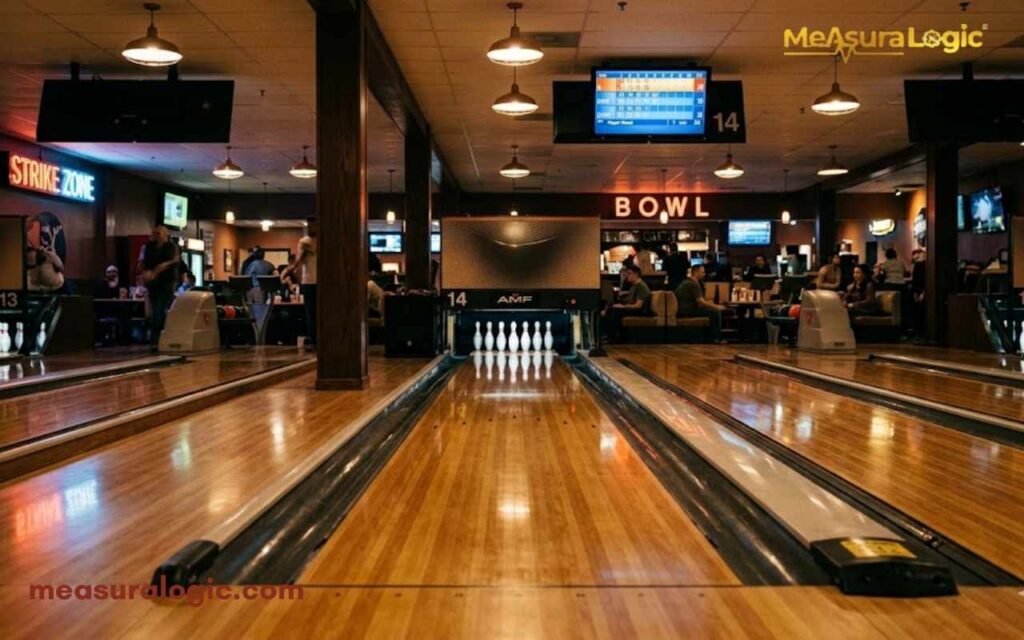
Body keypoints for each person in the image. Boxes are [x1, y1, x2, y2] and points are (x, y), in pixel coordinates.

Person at [139, 224, 180, 347]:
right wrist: (145, 273)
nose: (156, 236)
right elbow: (143, 263)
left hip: (167, 283)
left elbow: (175, 262)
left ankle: (161, 338)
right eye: (154, 234)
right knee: (155, 311)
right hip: (153, 283)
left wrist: (159, 269)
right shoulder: (148, 247)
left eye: (158, 234)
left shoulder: (172, 247)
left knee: (163, 310)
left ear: (165, 234)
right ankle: (155, 340)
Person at [283, 217, 317, 350]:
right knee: (310, 313)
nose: (311, 228)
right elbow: (299, 260)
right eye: (309, 225)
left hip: (322, 282)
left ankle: (321, 340)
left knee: (321, 313)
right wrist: (290, 269)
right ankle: (313, 341)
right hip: (308, 281)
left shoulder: (323, 240)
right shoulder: (303, 241)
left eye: (313, 225)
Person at [675, 264, 727, 344]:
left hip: (682, 310)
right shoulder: (693, 284)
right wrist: (716, 306)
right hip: (687, 311)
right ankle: (714, 338)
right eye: (702, 272)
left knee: (711, 310)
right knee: (715, 312)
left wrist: (709, 303)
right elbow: (700, 301)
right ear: (696, 273)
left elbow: (699, 301)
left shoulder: (687, 281)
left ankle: (709, 337)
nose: (704, 274)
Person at [603, 264, 651, 343]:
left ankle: (613, 337)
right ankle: (610, 335)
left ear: (636, 274)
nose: (627, 275)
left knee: (615, 312)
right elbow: (631, 297)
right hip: (632, 309)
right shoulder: (634, 286)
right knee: (611, 307)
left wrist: (623, 306)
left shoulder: (641, 286)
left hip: (640, 311)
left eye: (629, 273)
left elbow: (638, 306)